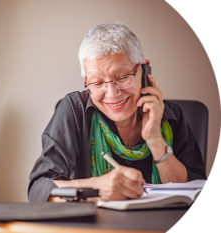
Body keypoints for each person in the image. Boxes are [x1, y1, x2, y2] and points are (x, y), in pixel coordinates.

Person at [28, 23, 206, 202]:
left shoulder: (171, 115)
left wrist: (155, 140)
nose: (112, 94)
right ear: (86, 80)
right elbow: (40, 188)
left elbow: (195, 191)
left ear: (143, 70)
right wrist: (97, 188)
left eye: (122, 77)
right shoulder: (75, 110)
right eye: (97, 83)